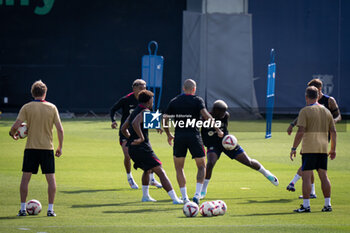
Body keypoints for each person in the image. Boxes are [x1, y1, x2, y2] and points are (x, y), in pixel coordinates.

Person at [200, 100, 279, 198]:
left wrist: (227, 138)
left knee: (248, 161)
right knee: (210, 163)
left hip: (226, 142)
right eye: (222, 112)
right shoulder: (204, 118)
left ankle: (266, 173)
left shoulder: (225, 116)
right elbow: (210, 123)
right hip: (213, 144)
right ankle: (203, 190)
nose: (224, 114)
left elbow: (224, 129)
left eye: (225, 111)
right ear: (215, 111)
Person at [163, 79, 223, 204]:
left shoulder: (174, 101)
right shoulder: (198, 100)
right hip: (194, 136)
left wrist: (169, 134)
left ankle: (184, 198)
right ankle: (196, 195)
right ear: (194, 89)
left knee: (179, 168)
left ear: (183, 89)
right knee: (201, 166)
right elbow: (207, 116)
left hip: (179, 137)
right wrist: (218, 130)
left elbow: (164, 119)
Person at [9, 80, 64, 217]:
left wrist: (13, 134)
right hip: (47, 149)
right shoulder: (52, 107)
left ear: (32, 93)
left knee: (25, 179)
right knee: (51, 179)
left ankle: (22, 209)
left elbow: (15, 127)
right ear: (45, 93)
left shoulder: (27, 107)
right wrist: (60, 147)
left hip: (31, 149)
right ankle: (50, 210)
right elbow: (60, 130)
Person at [121, 90, 182, 204]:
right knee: (160, 170)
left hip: (133, 148)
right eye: (152, 100)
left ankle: (145, 196)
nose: (153, 102)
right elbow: (135, 123)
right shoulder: (145, 110)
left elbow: (123, 128)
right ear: (148, 101)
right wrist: (141, 138)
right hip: (142, 148)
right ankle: (175, 199)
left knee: (147, 169)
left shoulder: (135, 111)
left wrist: (131, 139)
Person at [286, 78, 341, 198]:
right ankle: (314, 193)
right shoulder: (312, 104)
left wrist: (330, 122)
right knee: (316, 168)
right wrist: (292, 124)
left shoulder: (329, 101)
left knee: (309, 163)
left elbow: (338, 116)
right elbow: (303, 116)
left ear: (319, 90)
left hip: (320, 137)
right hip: (312, 138)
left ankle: (294, 182)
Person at [110, 79, 161, 189]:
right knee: (127, 155)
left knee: (149, 155)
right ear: (134, 88)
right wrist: (113, 120)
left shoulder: (146, 99)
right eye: (141, 87)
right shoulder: (126, 99)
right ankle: (130, 178)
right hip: (126, 131)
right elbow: (113, 109)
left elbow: (149, 114)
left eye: (145, 87)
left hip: (141, 133)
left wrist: (156, 125)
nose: (143, 89)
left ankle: (152, 179)